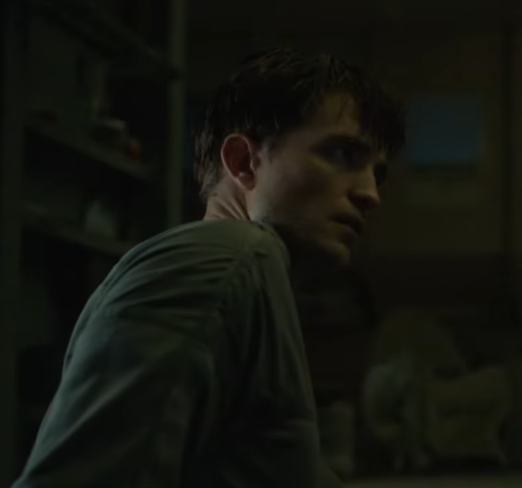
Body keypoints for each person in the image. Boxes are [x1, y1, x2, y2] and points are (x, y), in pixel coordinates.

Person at [13, 47, 405, 487]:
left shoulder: (250, 273)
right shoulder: (227, 258)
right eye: (342, 155)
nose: (371, 194)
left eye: (377, 173)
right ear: (243, 162)